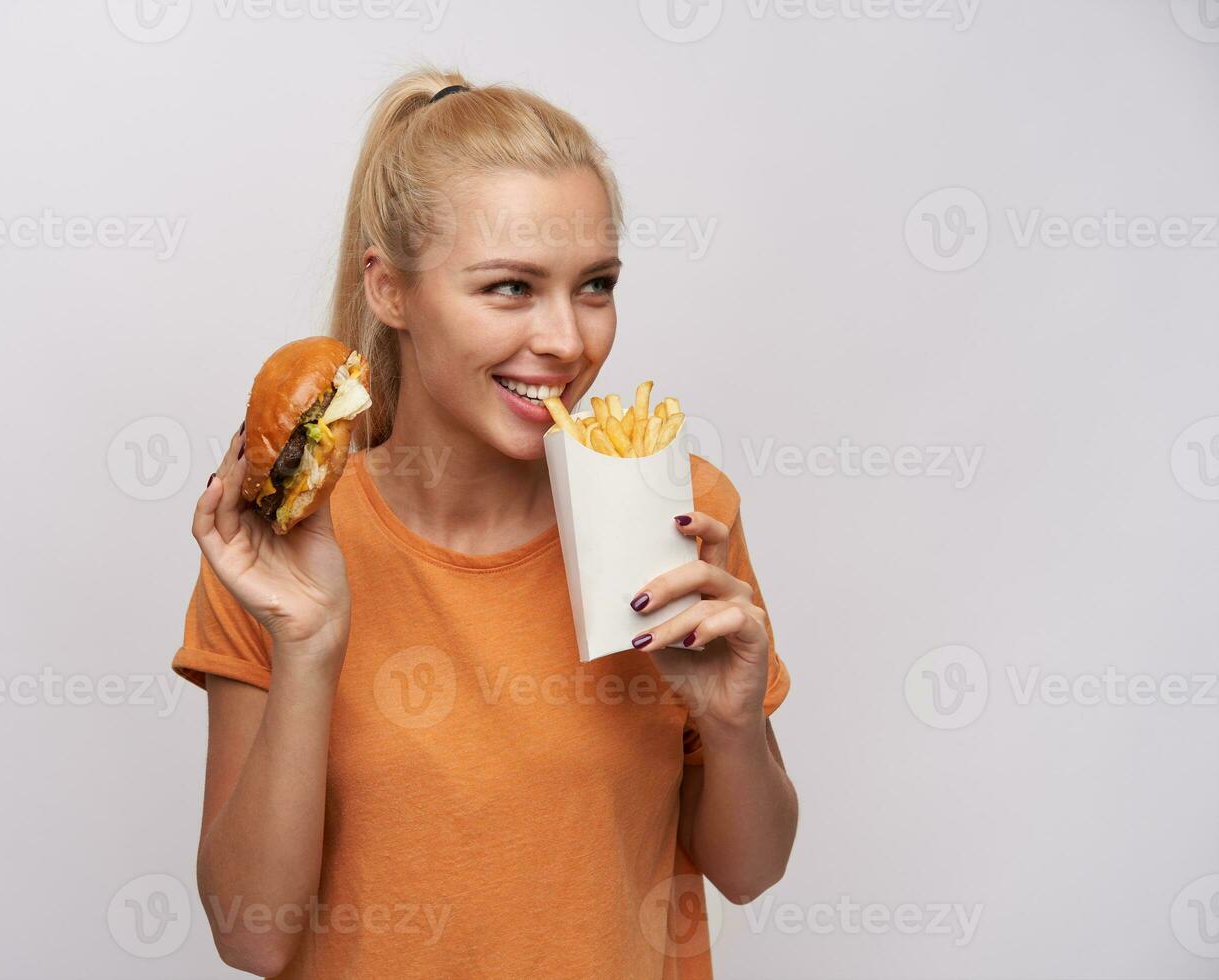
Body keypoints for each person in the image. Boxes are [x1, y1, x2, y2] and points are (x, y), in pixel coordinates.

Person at [172, 66, 796, 979]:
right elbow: (252, 937)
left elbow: (750, 871)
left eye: (595, 284)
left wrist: (735, 724)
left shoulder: (681, 508)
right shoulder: (287, 541)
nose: (567, 340)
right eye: (510, 288)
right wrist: (307, 644)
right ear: (390, 291)